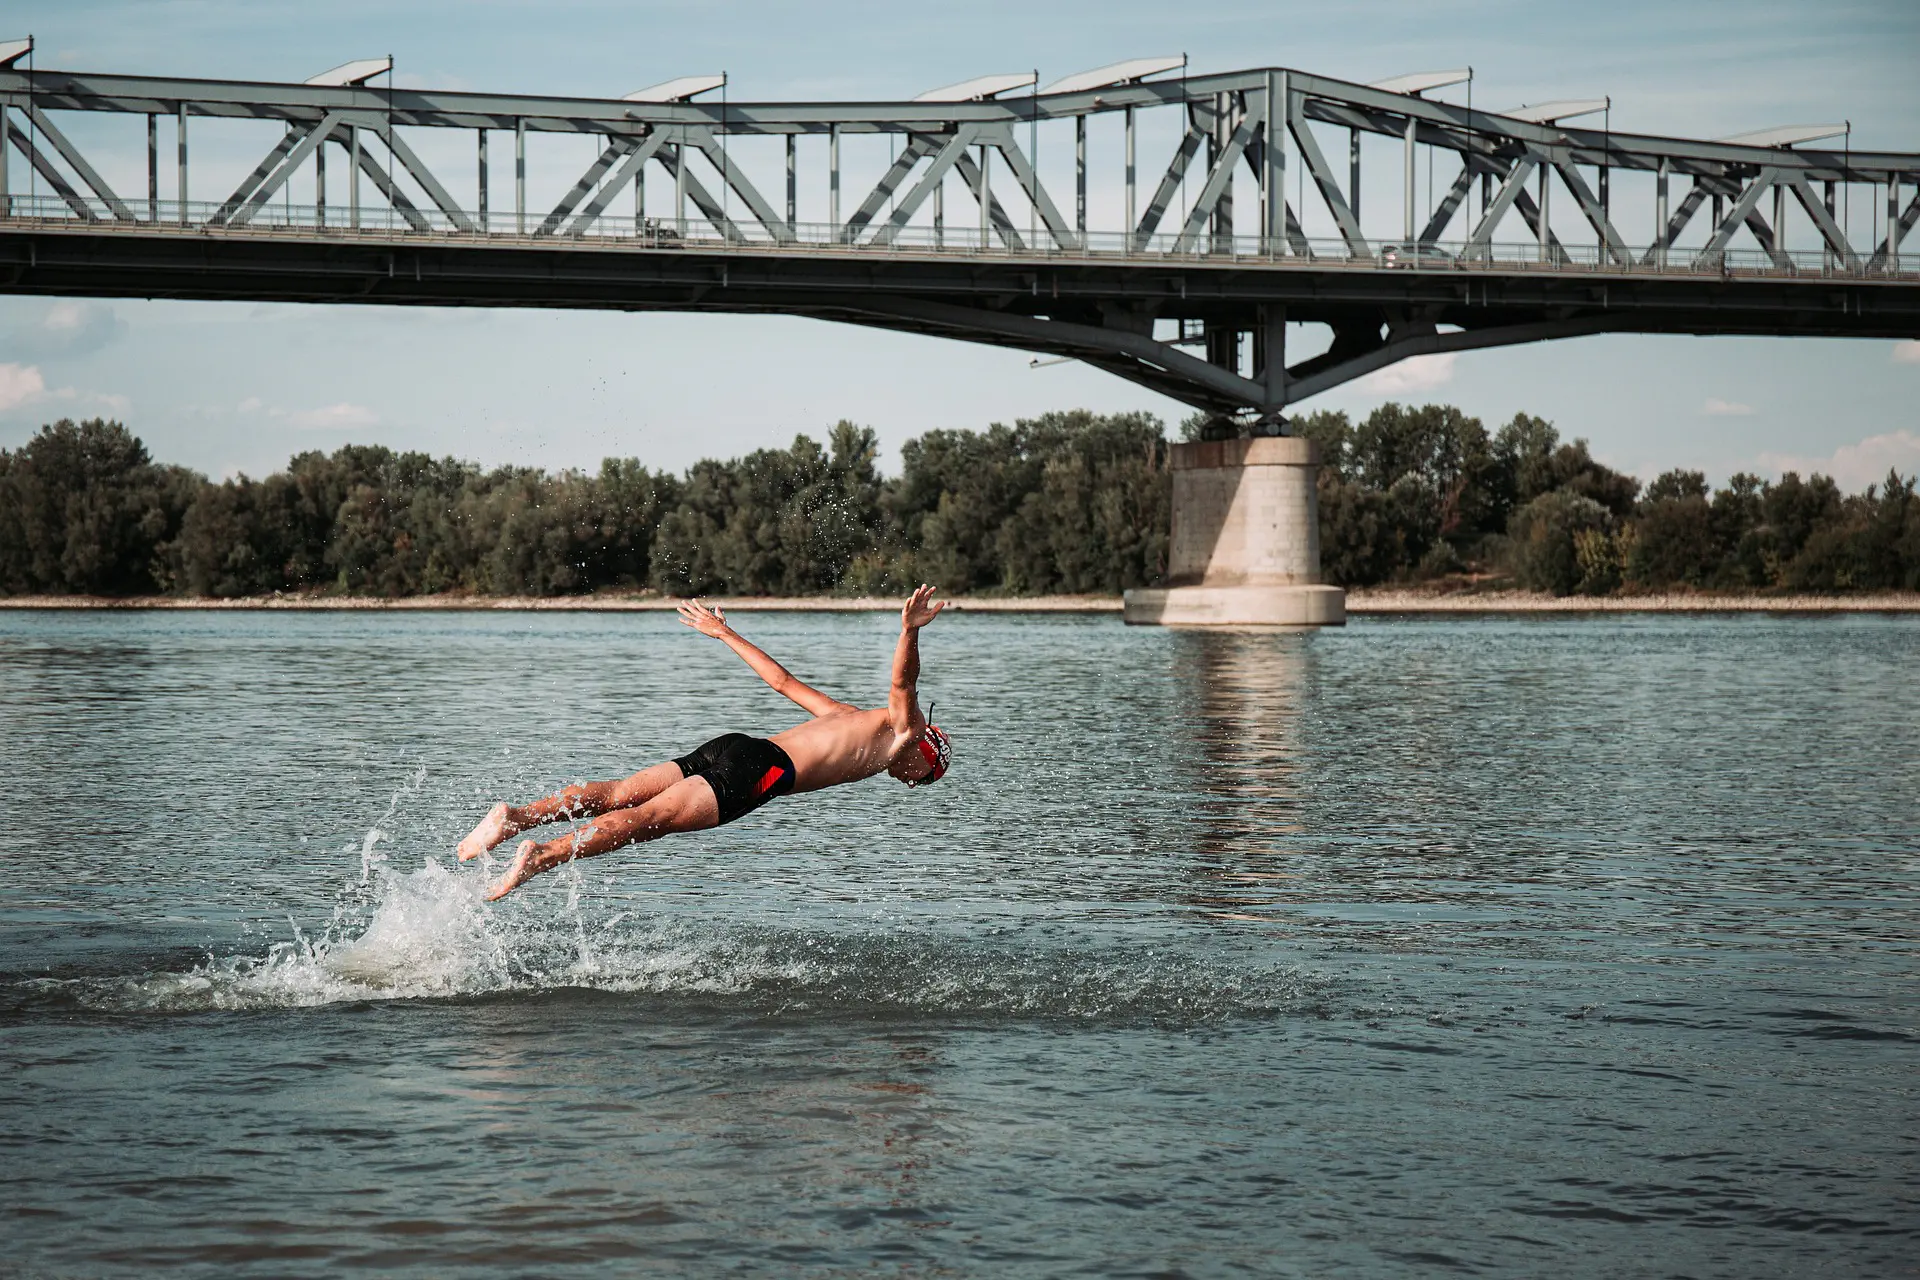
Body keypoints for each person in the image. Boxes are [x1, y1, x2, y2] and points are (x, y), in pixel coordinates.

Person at [458, 585, 952, 900]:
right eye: (923, 780)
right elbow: (903, 686)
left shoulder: (848, 717)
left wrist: (724, 632)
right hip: (763, 769)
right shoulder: (902, 733)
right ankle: (541, 855)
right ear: (923, 757)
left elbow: (781, 681)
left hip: (736, 745)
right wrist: (908, 632)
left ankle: (515, 817)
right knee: (646, 821)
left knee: (621, 794)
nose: (910, 784)